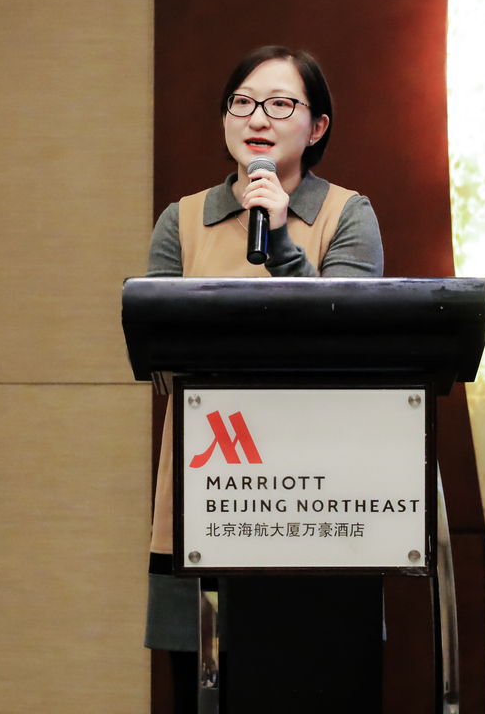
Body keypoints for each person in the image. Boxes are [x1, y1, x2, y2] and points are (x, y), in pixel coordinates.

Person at [143, 46, 384, 712]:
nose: (258, 118)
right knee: (203, 695)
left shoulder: (347, 215)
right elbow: (159, 350)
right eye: (243, 102)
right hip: (206, 498)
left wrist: (279, 242)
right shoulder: (182, 220)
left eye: (280, 104)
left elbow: (349, 344)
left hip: (319, 503)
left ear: (317, 126)